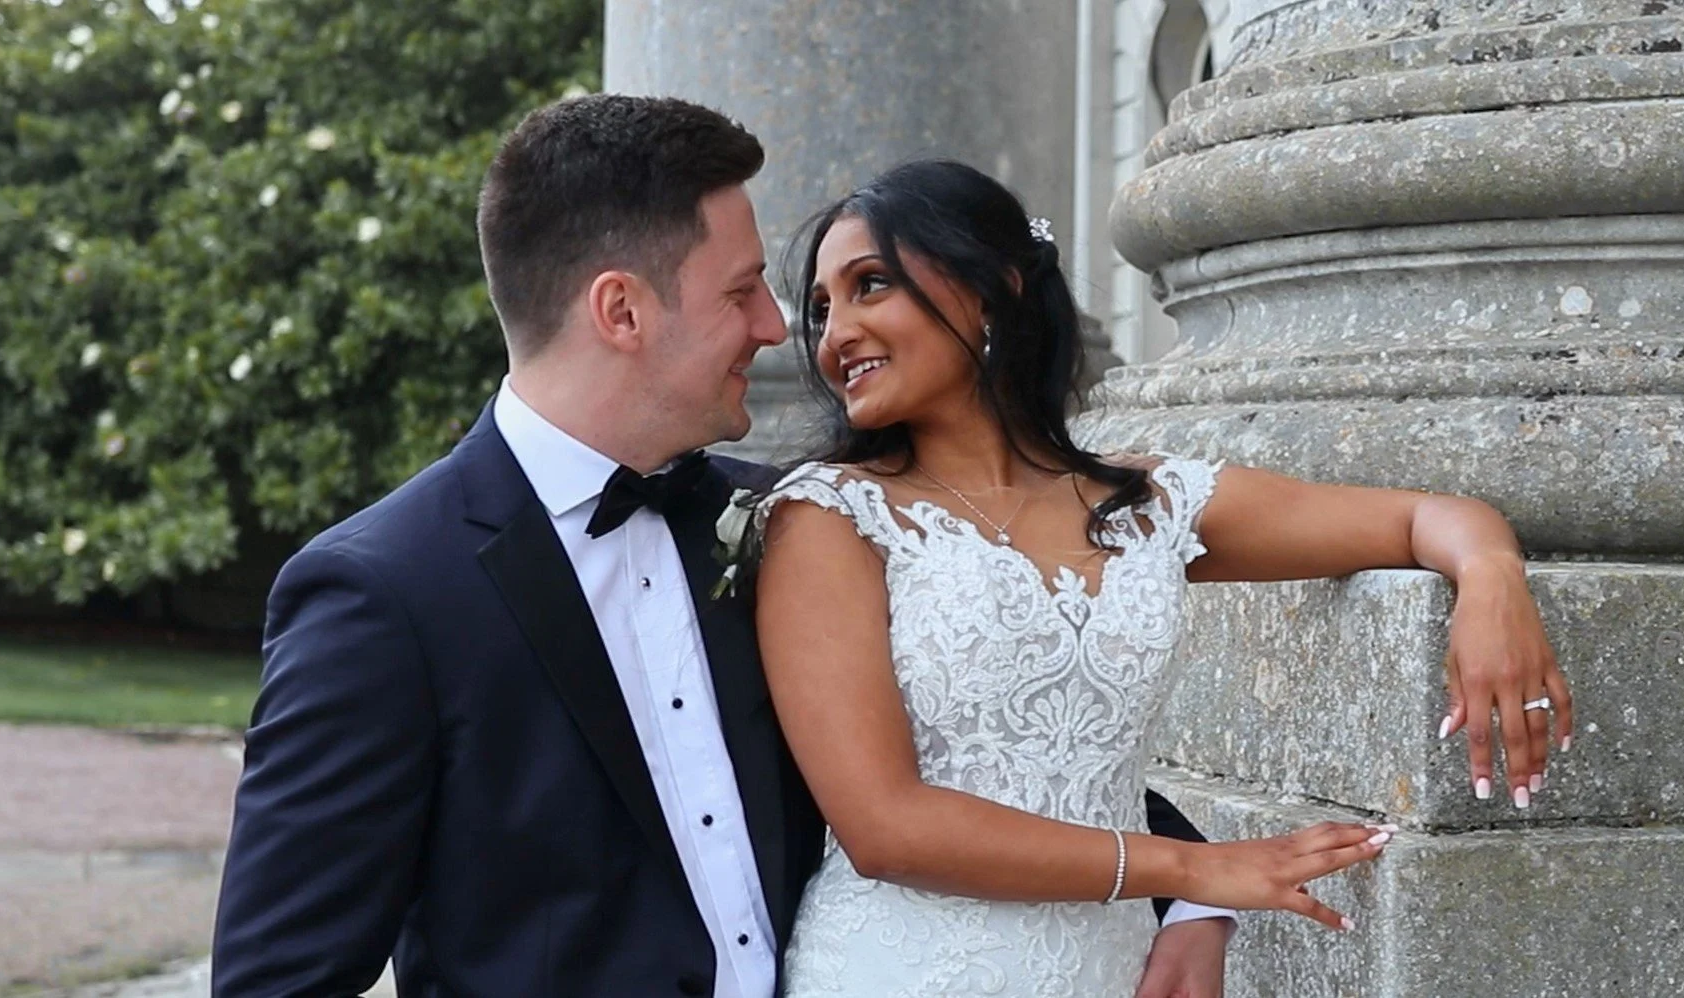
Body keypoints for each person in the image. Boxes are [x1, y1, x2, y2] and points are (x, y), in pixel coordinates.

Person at [210, 96, 1234, 998]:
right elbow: (278, 977)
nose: (775, 328)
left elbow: (992, 739)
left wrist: (1191, 894)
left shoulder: (789, 522)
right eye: (742, 291)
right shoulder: (380, 594)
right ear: (621, 310)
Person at [750, 159, 1574, 997]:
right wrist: (1192, 874)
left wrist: (1489, 580)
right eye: (821, 309)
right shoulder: (827, 516)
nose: (834, 334)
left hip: (1109, 972)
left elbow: (1422, 518)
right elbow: (885, 829)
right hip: (897, 967)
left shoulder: (1146, 503)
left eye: (870, 285)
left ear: (992, 288)